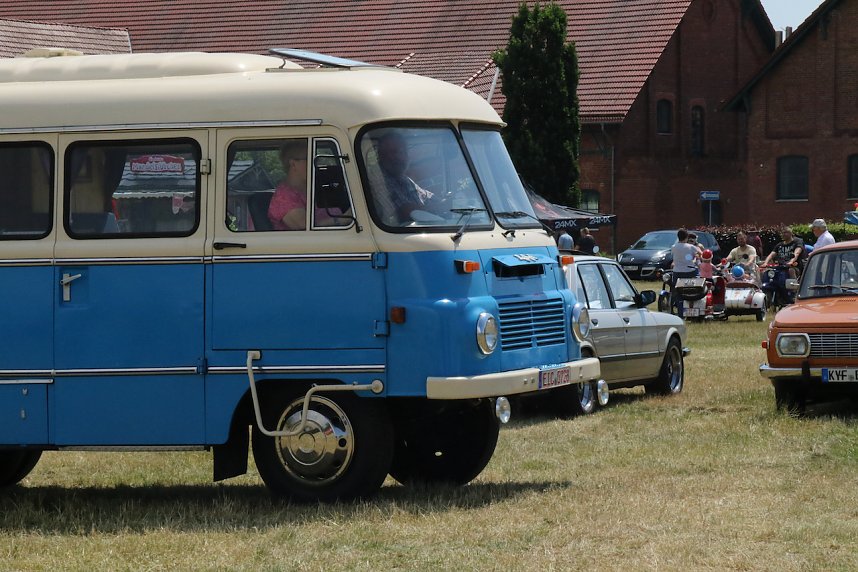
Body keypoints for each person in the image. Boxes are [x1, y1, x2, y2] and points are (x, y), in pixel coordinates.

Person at [268, 140, 340, 230]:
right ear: (293, 164)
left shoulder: (311, 189)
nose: (315, 164)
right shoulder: (283, 197)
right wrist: (343, 220)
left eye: (316, 159)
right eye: (309, 159)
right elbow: (305, 227)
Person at [374, 131, 434, 222]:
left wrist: (444, 201)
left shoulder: (403, 179)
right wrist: (433, 208)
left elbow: (424, 195)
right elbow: (405, 211)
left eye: (404, 152)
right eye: (400, 152)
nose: (405, 156)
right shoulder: (378, 179)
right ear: (382, 155)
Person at [670, 228, 700, 316]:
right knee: (695, 288)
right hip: (689, 271)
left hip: (677, 272)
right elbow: (701, 253)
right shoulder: (691, 247)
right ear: (686, 237)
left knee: (678, 292)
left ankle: (680, 312)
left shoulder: (673, 247)